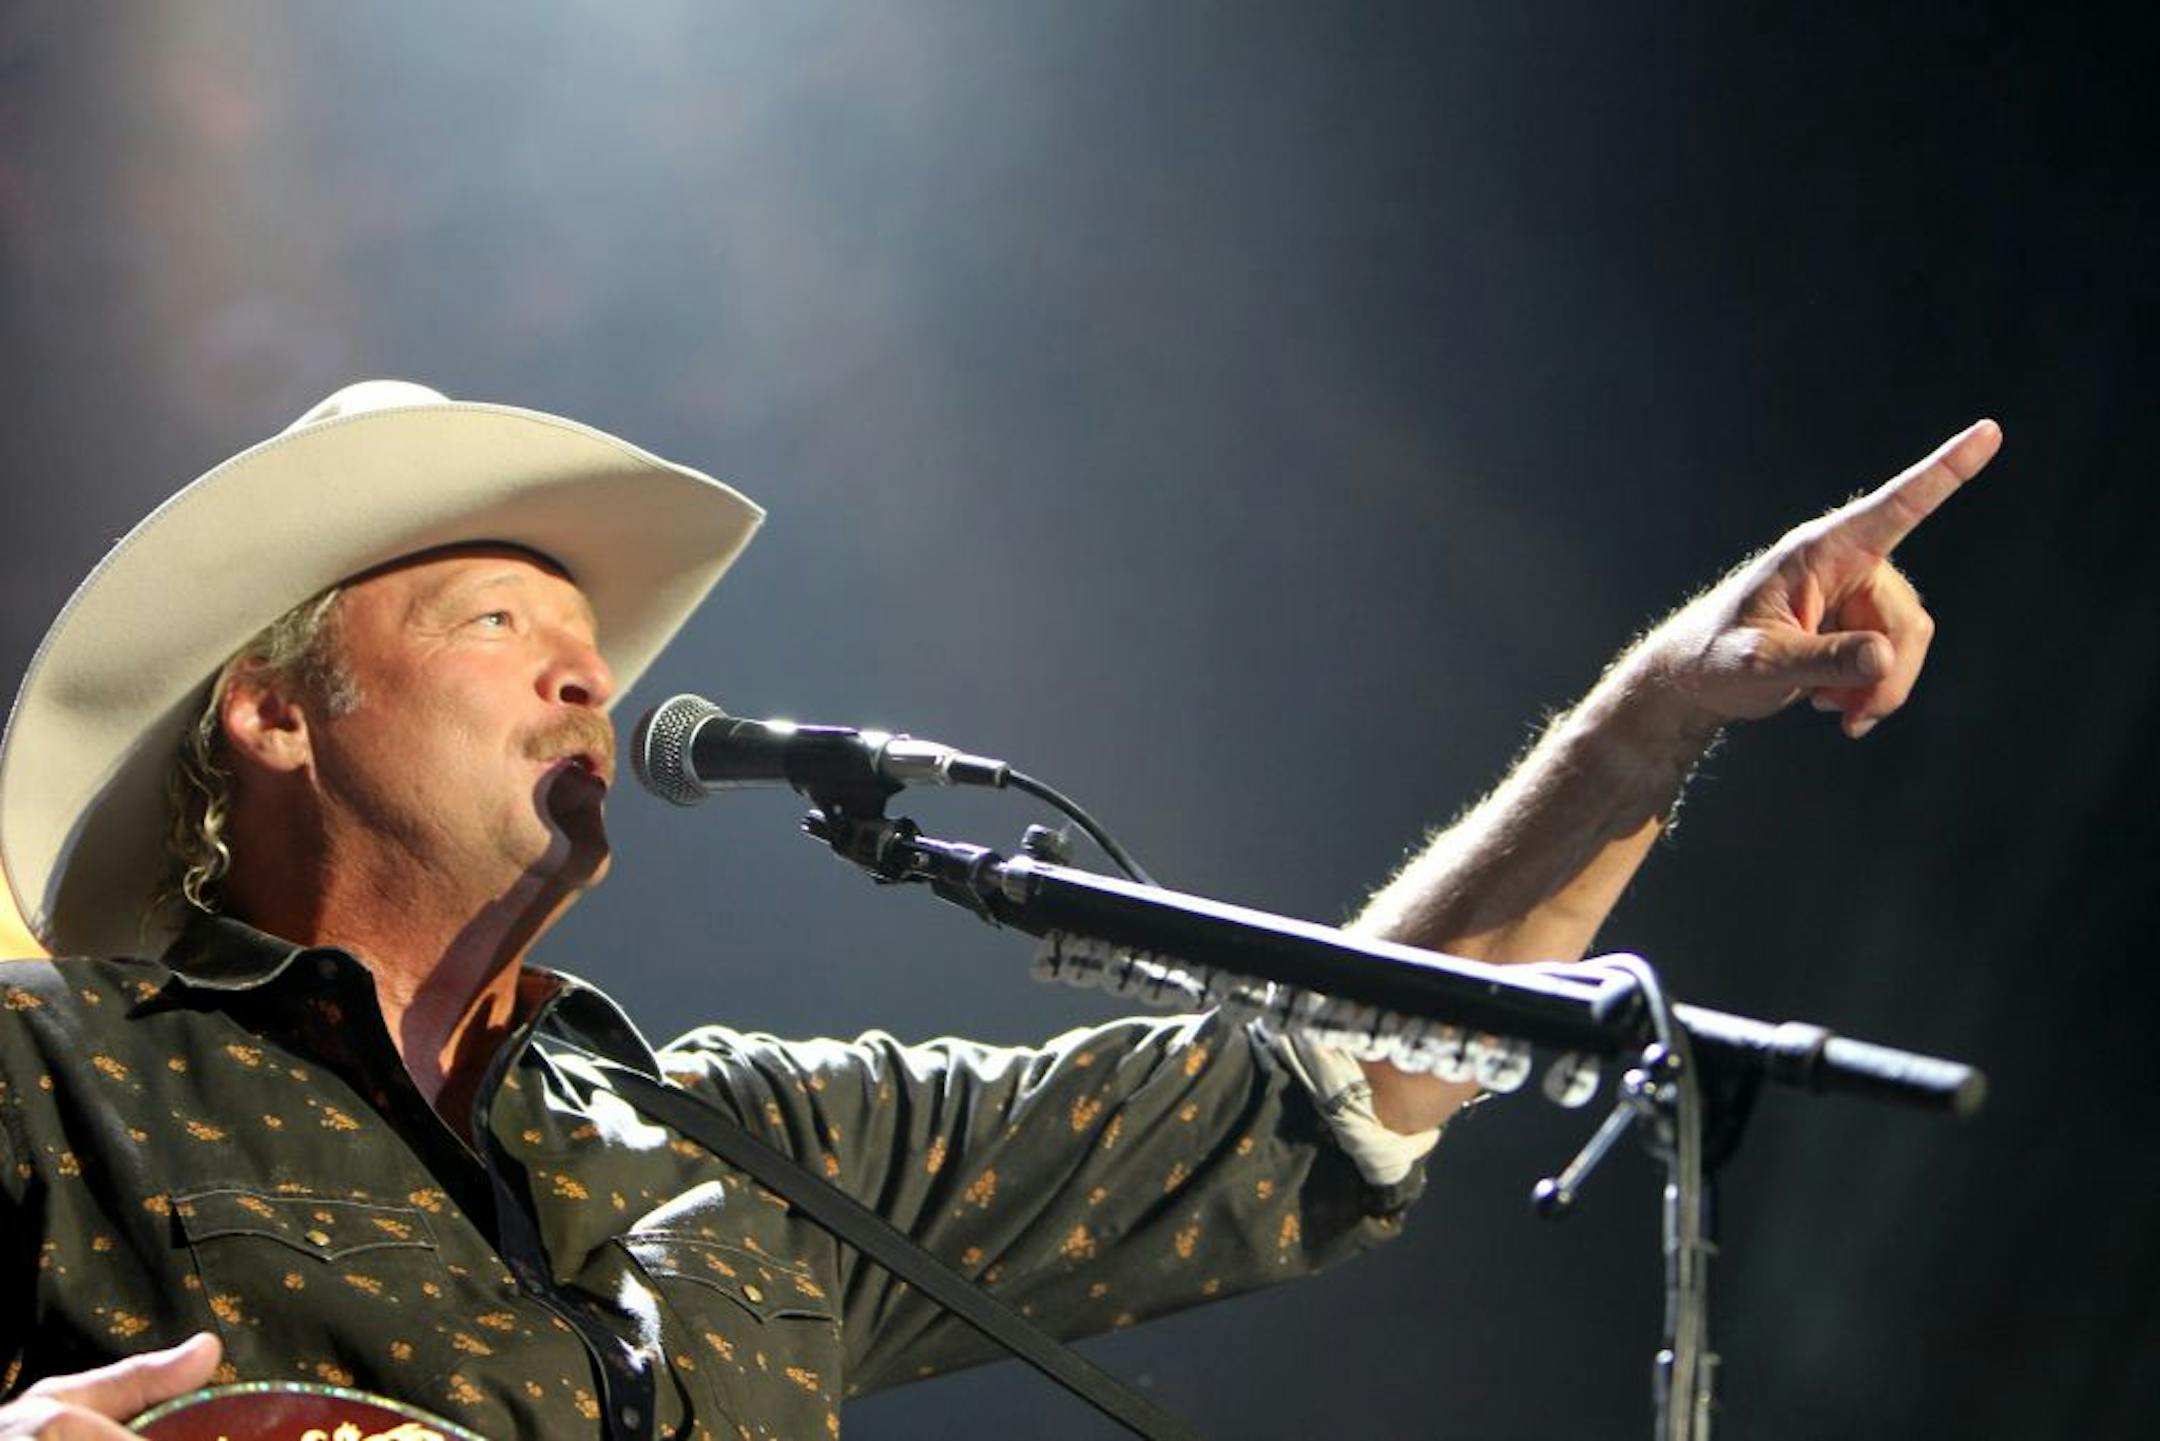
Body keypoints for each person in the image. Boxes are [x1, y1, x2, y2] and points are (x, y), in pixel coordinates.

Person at [0, 381, 2000, 1440]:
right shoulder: (52, 1081)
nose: (586, 671)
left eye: (592, 634)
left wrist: (1651, 716)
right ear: (273, 711)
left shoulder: (746, 1153)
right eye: (500, 618)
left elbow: (1308, 1090)